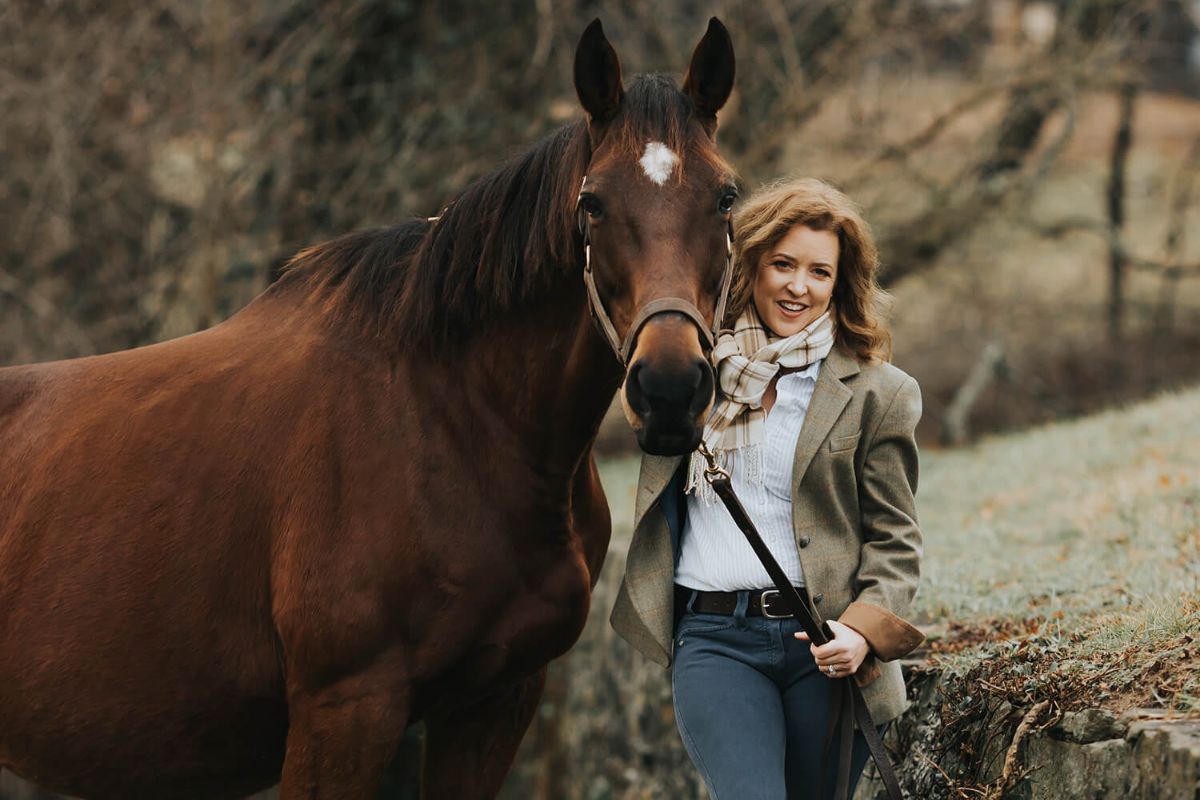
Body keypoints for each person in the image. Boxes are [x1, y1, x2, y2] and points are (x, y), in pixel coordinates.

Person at [610, 177, 925, 799]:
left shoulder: (879, 394)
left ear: (840, 283)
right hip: (715, 640)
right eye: (782, 264)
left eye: (819, 272)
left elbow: (895, 539)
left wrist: (862, 631)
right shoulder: (695, 375)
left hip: (824, 646)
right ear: (748, 264)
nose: (798, 287)